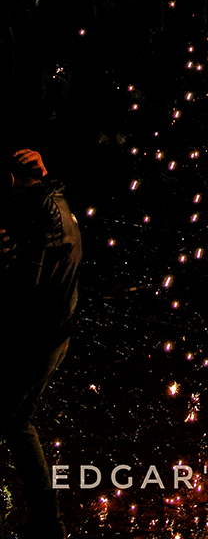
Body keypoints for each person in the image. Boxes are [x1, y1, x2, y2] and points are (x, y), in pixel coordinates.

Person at [0, 147, 82, 539]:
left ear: (12, 180)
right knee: (18, 424)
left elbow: (22, 289)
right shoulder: (56, 201)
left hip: (35, 340)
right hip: (55, 334)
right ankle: (49, 523)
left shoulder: (38, 218)